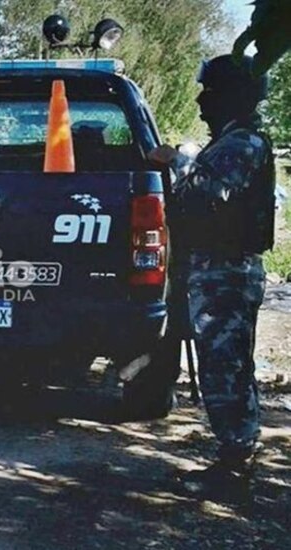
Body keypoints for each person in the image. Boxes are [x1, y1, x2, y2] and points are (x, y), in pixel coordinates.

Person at [149, 54, 274, 497]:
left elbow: (209, 192)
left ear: (231, 97)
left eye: (210, 92)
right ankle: (235, 456)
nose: (201, 101)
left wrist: (177, 160)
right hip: (217, 269)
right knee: (225, 363)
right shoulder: (232, 141)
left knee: (225, 366)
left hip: (226, 271)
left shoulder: (242, 144)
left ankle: (235, 465)